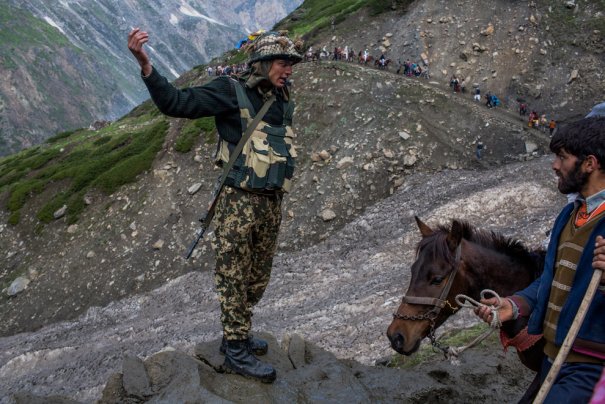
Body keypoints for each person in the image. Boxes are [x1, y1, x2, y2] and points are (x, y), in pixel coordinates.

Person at [127, 28, 303, 383]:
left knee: (258, 276)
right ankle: (235, 349)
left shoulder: (283, 96)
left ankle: (237, 332)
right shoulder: (229, 91)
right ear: (264, 62)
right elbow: (176, 103)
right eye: (283, 63)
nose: (289, 70)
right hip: (238, 202)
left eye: (291, 64)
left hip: (271, 202)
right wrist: (146, 65)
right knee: (233, 274)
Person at [475, 116, 605, 403]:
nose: (555, 165)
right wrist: (513, 305)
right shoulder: (568, 216)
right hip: (554, 355)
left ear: (589, 164)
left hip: (592, 365)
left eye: (562, 157)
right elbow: (552, 279)